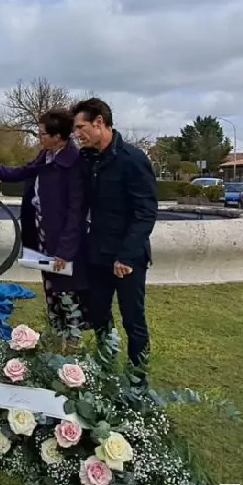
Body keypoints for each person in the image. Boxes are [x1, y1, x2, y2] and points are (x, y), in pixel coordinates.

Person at [0, 109, 88, 349]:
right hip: (41, 235)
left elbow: (77, 211)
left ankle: (73, 349)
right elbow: (19, 173)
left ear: (58, 136)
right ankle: (55, 342)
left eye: (43, 133)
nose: (39, 137)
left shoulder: (73, 163)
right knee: (51, 290)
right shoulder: (46, 156)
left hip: (61, 242)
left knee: (67, 295)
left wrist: (65, 250)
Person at [72, 97, 158, 376]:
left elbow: (145, 212)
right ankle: (105, 374)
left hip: (126, 258)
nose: (77, 133)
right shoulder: (88, 158)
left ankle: (137, 381)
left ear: (100, 122)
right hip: (97, 254)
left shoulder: (133, 159)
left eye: (81, 127)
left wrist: (127, 255)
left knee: (133, 321)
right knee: (99, 316)